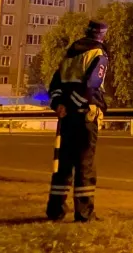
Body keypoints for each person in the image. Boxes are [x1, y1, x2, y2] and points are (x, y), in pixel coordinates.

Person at [46, 20, 109, 222]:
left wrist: (59, 104)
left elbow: (55, 83)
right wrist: (74, 106)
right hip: (84, 116)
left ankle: (55, 210)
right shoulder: (98, 54)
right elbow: (92, 85)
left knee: (63, 164)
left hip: (66, 117)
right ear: (101, 35)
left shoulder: (69, 54)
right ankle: (84, 213)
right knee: (85, 165)